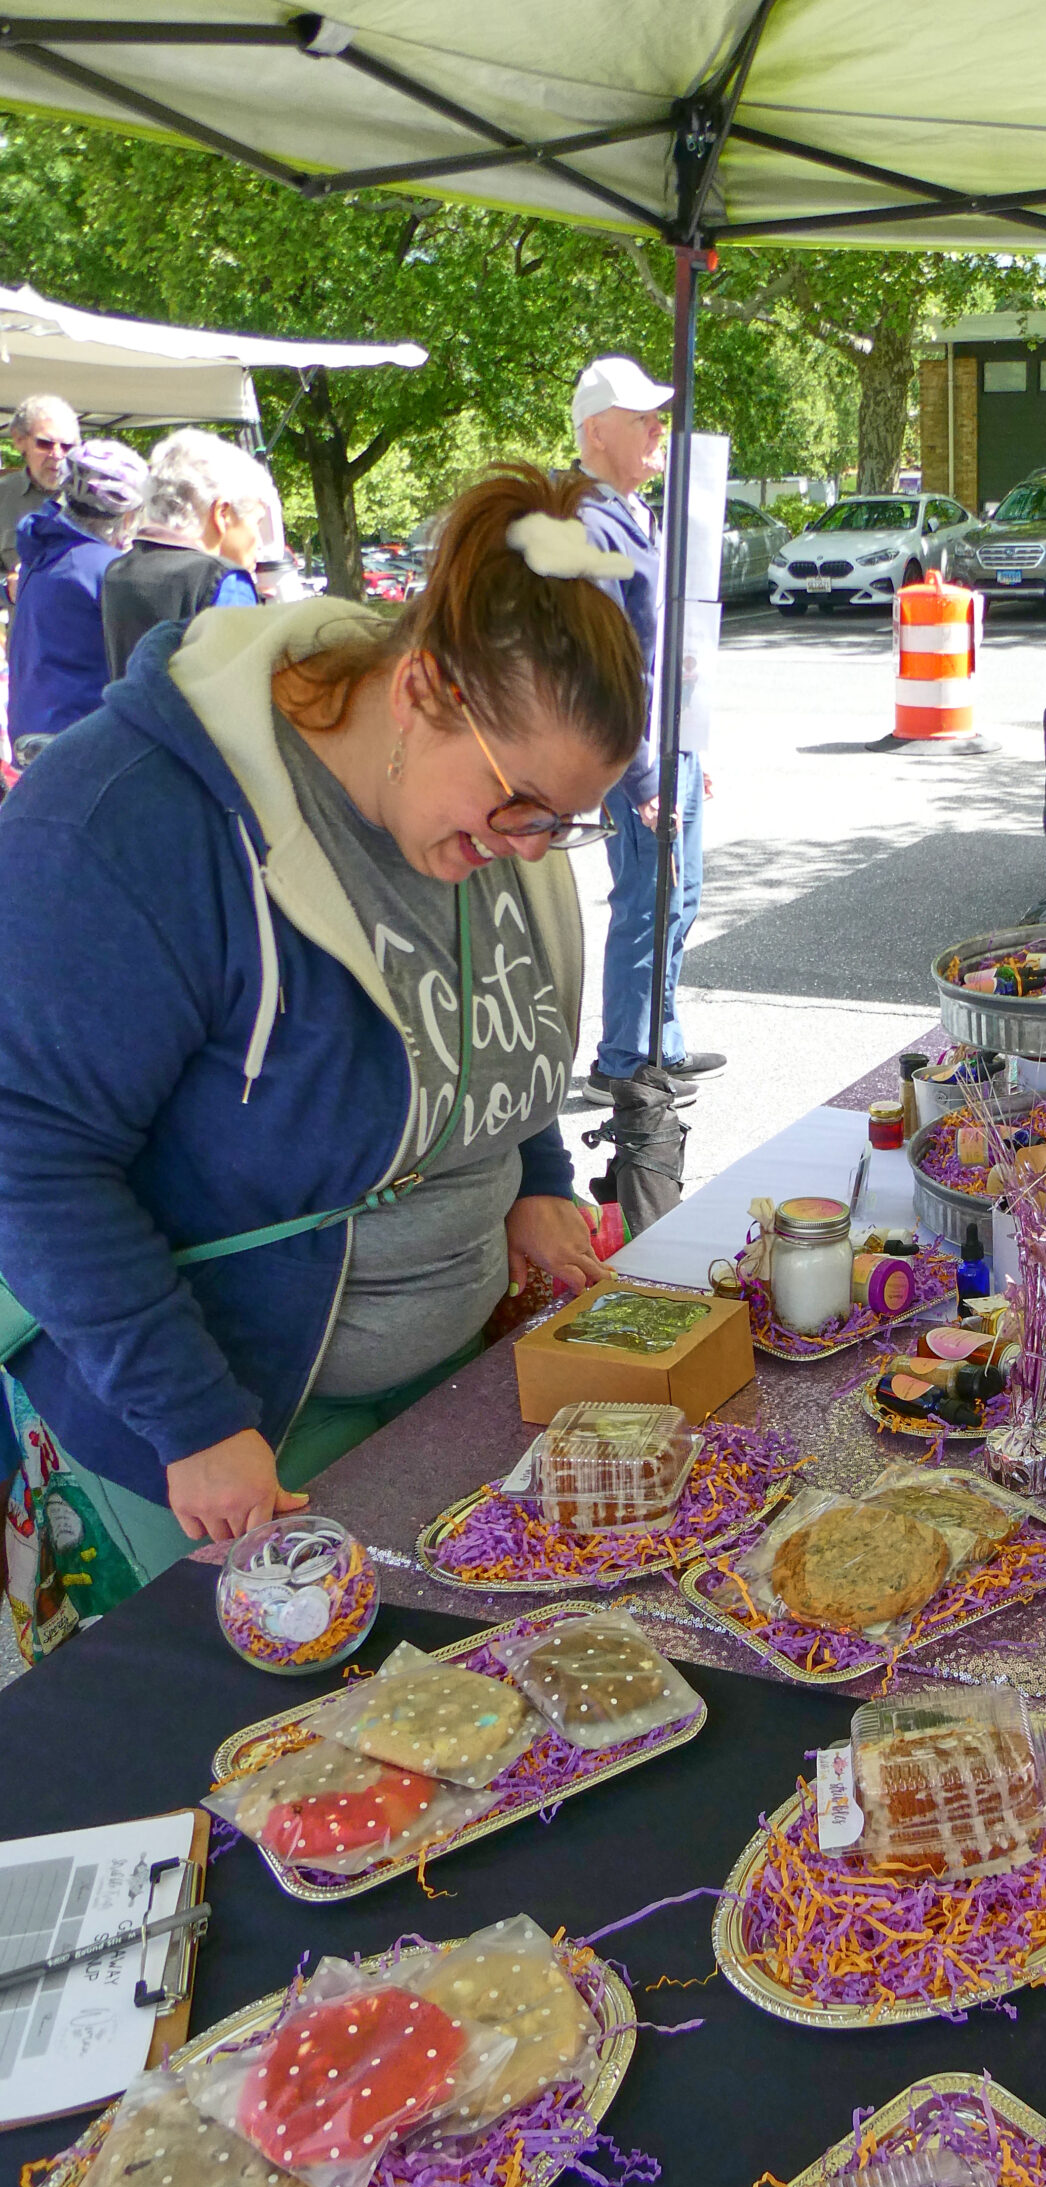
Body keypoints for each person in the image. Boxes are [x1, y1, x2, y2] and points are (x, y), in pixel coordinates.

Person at [0, 463, 637, 1648]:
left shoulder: (476, 815)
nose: (529, 849)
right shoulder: (120, 821)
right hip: (223, 1442)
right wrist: (194, 1420)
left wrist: (538, 1176)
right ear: (425, 687)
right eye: (520, 809)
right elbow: (29, 1158)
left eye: (561, 823)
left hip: (437, 1394)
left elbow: (463, 1007)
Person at [573, 354, 724, 1095]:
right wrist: (640, 776)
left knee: (679, 894)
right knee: (647, 898)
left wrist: (687, 742)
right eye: (642, 419)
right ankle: (624, 1061)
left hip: (669, 743)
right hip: (639, 753)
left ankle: (658, 1042)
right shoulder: (590, 524)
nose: (658, 430)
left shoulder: (631, 514)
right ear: (596, 432)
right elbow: (602, 664)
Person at [8, 438, 148, 747]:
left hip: (32, 727)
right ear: (127, 516)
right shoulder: (111, 570)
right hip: (81, 738)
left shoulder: (42, 549)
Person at [101, 428, 273, 678]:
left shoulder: (118, 570)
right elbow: (243, 692)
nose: (259, 542)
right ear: (222, 514)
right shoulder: (226, 581)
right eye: (257, 522)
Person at [0, 393, 78, 583]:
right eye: (45, 444)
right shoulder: (4, 495)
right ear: (19, 440)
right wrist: (7, 586)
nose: (57, 454)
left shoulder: (96, 499)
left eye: (67, 446)